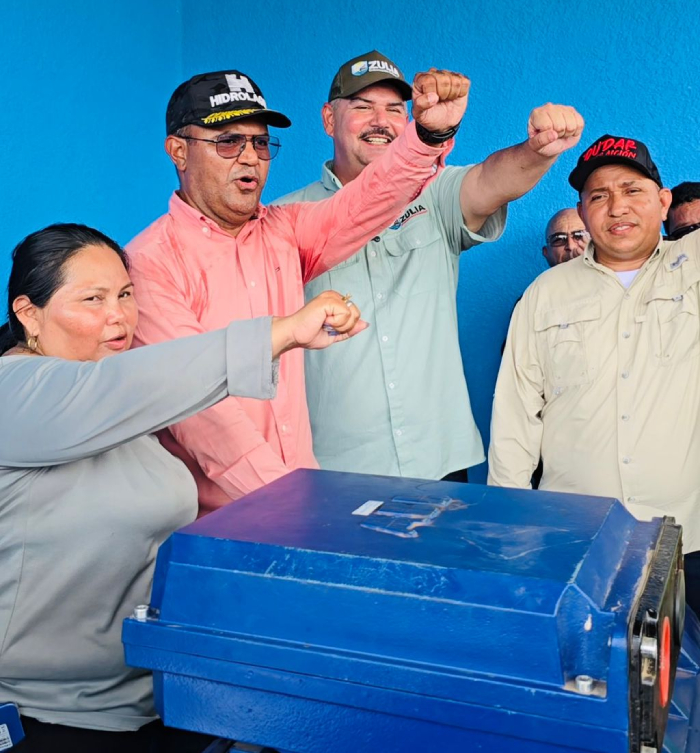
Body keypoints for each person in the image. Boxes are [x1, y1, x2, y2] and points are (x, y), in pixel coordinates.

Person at [0, 223, 365, 753]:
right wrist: (280, 333)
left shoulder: (123, 407)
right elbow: (125, 386)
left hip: (147, 699)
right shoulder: (16, 392)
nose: (119, 316)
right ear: (29, 314)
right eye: (93, 299)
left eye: (125, 294)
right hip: (47, 718)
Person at [128, 65, 469, 511]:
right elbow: (203, 417)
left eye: (260, 143)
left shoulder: (284, 230)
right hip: (223, 521)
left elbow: (367, 201)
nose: (249, 158)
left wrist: (426, 136)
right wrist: (289, 503)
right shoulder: (148, 263)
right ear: (179, 151)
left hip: (303, 502)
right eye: (228, 141)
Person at [274, 49, 584, 483]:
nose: (380, 121)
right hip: (334, 466)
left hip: (438, 457)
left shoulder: (435, 193)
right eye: (362, 107)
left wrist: (538, 152)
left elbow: (494, 180)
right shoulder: (286, 219)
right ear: (329, 119)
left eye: (394, 109)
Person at [488, 134, 700, 613]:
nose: (617, 207)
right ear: (582, 212)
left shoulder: (693, 269)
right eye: (599, 196)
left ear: (663, 202)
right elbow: (516, 416)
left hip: (688, 537)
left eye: (633, 190)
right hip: (574, 538)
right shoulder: (545, 294)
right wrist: (511, 526)